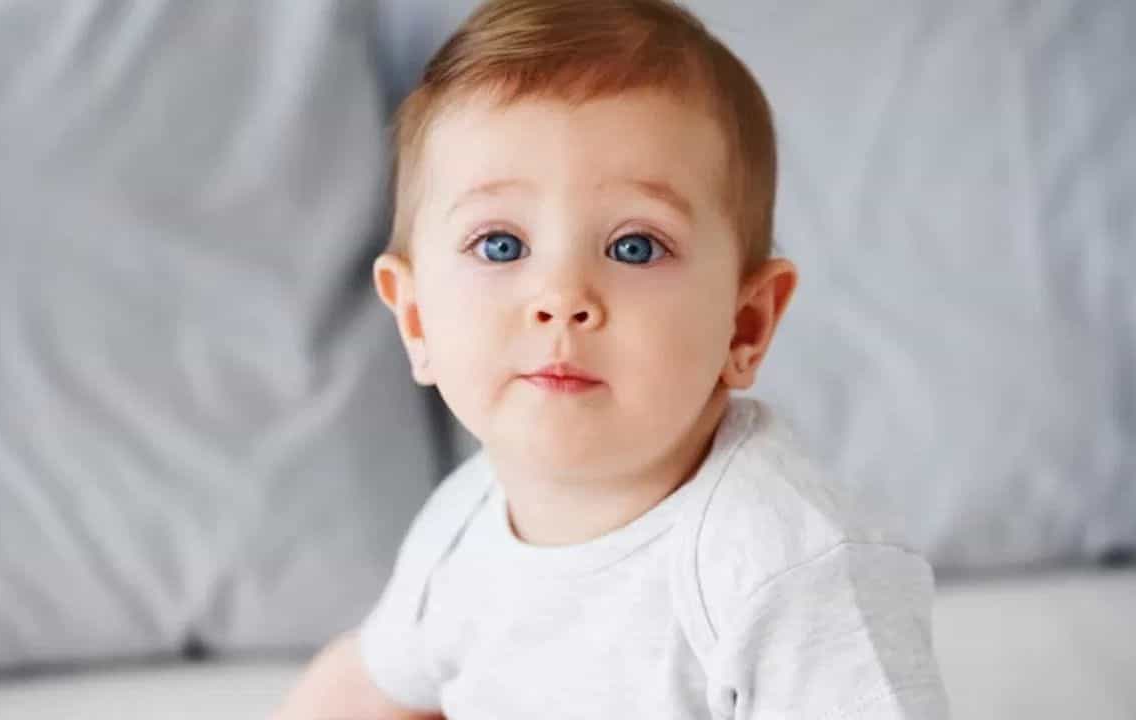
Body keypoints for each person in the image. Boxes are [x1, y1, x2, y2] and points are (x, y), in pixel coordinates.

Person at [277, 1, 948, 717]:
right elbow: (361, 688)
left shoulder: (784, 566)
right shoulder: (461, 528)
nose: (563, 297)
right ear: (415, 319)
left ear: (744, 324)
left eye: (635, 247)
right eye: (500, 245)